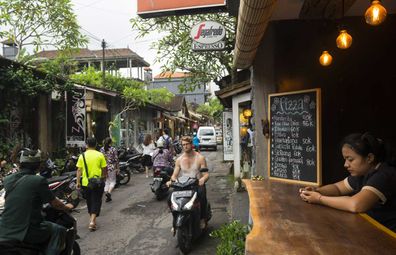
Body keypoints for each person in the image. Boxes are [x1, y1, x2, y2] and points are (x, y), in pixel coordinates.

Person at [299, 132, 396, 232]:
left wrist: (319, 199)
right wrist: (317, 191)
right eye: (345, 159)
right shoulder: (362, 173)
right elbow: (337, 188)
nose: (346, 164)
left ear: (369, 158)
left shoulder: (384, 175)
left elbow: (356, 205)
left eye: (350, 159)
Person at [0, 149, 74, 255]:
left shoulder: (8, 179)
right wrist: (67, 207)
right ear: (38, 166)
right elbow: (55, 204)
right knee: (59, 230)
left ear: (20, 164)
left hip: (4, 228)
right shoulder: (38, 181)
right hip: (26, 229)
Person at [166, 136, 209, 229]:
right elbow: (174, 175)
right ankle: (175, 219)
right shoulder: (179, 159)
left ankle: (202, 218)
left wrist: (202, 179)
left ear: (191, 144)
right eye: (183, 145)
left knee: (202, 195)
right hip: (183, 185)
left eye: (187, 144)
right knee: (170, 198)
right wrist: (171, 181)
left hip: (196, 184)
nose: (185, 146)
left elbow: (206, 174)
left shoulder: (200, 158)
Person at [76, 137, 107, 231]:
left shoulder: (82, 156)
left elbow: (79, 170)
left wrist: (78, 182)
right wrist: (103, 178)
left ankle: (92, 219)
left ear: (87, 145)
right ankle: (92, 221)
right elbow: (104, 169)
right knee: (96, 200)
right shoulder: (100, 155)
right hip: (98, 182)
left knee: (89, 201)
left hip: (86, 183)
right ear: (96, 145)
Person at [100, 137, 119, 202]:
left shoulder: (102, 149)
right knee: (113, 181)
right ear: (111, 142)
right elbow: (116, 159)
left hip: (104, 167)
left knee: (107, 181)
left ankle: (107, 194)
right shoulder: (113, 149)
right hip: (111, 167)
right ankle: (109, 192)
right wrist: (117, 168)